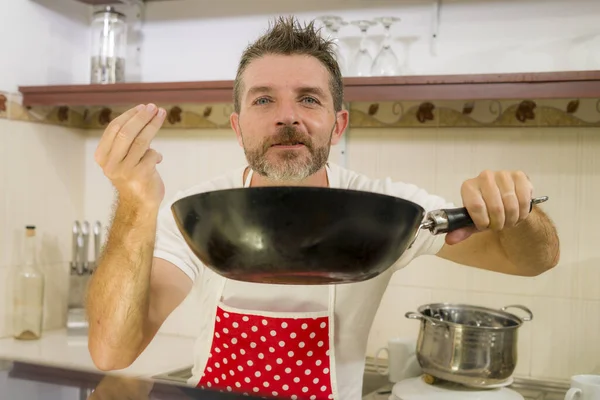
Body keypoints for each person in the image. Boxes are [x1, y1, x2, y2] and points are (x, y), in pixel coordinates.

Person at [85, 16, 560, 400]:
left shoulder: (384, 211)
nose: (286, 116)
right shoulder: (201, 214)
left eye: (308, 99)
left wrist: (517, 209)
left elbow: (532, 261)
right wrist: (135, 203)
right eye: (264, 99)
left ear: (338, 126)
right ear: (237, 126)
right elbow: (111, 351)